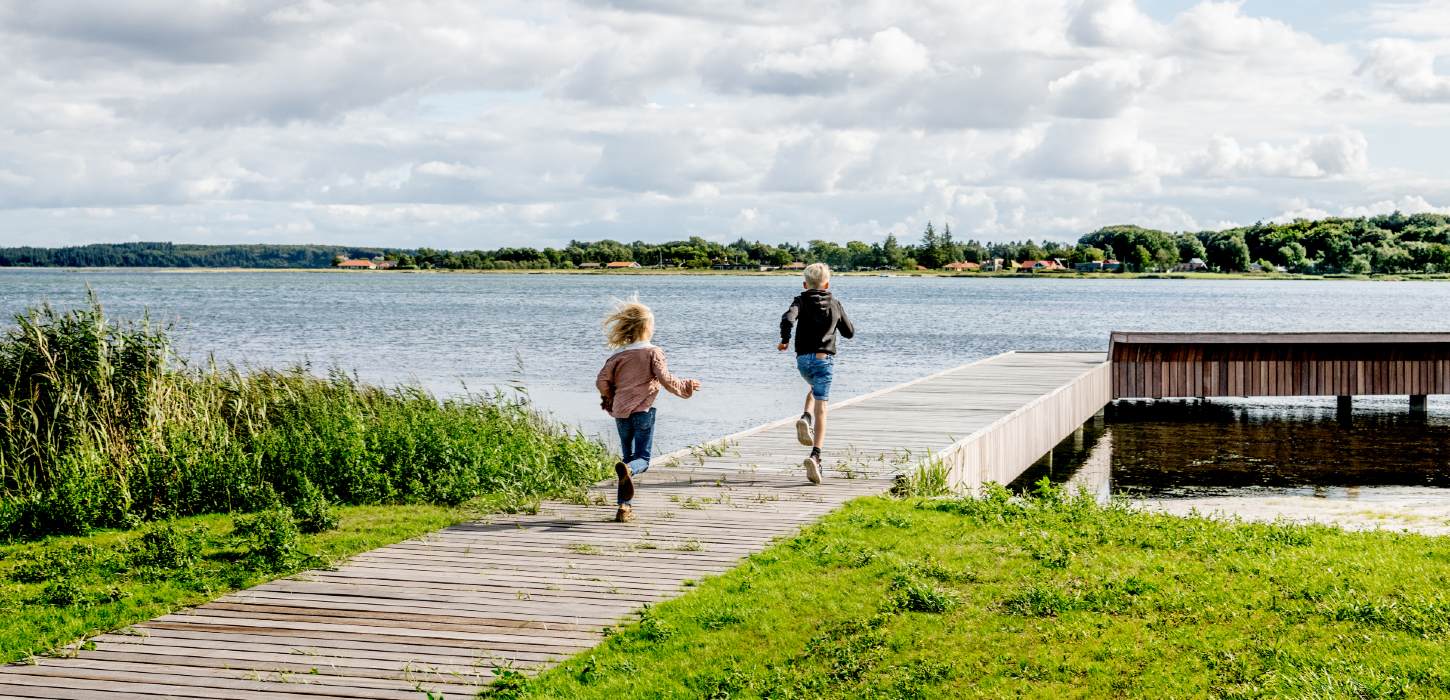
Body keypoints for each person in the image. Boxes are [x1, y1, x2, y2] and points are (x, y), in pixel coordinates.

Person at [596, 298, 700, 522]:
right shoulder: (653, 352)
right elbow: (665, 379)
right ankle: (629, 474)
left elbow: (602, 380)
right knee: (641, 459)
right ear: (646, 328)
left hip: (621, 413)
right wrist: (686, 387)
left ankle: (624, 507)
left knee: (627, 458)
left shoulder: (618, 355)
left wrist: (609, 398)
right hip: (643, 412)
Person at [778, 262, 854, 484]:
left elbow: (787, 319)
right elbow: (849, 333)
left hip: (803, 360)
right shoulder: (835, 303)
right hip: (824, 360)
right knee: (823, 406)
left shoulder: (800, 300)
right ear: (827, 283)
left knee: (812, 387)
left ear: (805, 284)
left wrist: (784, 341)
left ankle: (805, 417)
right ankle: (816, 456)